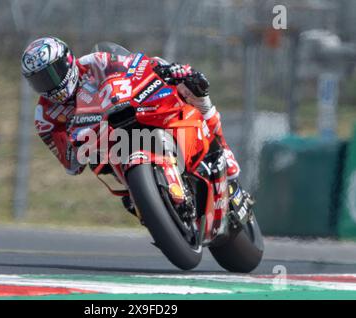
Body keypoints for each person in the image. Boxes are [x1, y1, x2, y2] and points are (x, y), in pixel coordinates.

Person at [21, 37, 243, 212]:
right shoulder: (45, 116)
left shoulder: (95, 62)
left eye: (52, 72)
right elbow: (71, 164)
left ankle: (222, 147)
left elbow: (136, 65)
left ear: (68, 61)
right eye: (40, 79)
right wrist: (73, 146)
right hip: (107, 145)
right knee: (129, 202)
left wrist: (166, 71)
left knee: (191, 86)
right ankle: (152, 203)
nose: (49, 83)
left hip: (134, 108)